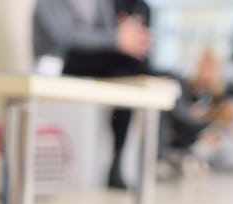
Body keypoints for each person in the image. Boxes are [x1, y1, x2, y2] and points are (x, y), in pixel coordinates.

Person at [33, 0, 153, 189]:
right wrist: (116, 38)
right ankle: (154, 76)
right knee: (132, 65)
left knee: (128, 70)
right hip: (59, 60)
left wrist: (122, 33)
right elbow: (65, 37)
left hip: (92, 59)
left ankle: (116, 162)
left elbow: (105, 33)